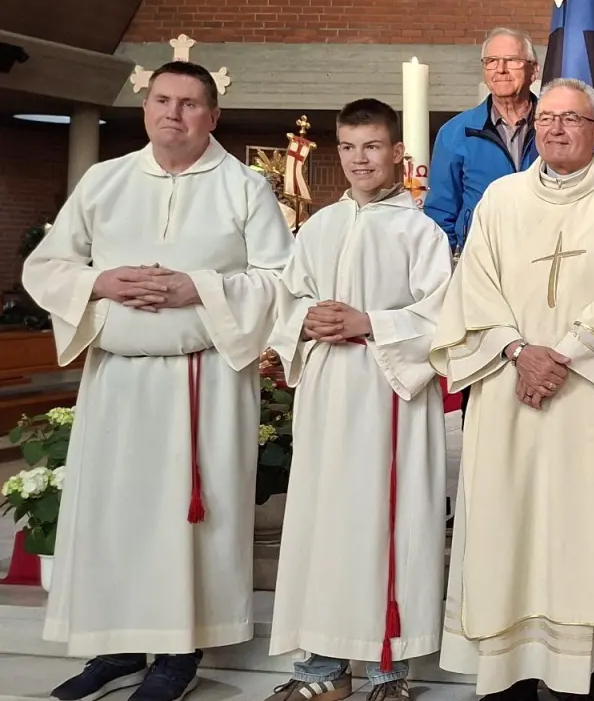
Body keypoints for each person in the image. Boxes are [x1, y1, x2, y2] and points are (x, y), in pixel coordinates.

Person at [23, 61, 292, 701]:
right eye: (163, 101)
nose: (174, 114)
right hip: (117, 382)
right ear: (145, 109)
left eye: (190, 103)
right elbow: (47, 264)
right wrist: (99, 281)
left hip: (201, 387)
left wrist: (194, 287)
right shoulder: (104, 180)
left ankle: (177, 652)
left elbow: (281, 280)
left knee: (184, 520)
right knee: (118, 513)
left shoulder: (245, 187)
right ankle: (116, 646)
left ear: (212, 115)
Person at [429, 78, 594, 701]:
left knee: (581, 526)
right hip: (508, 387)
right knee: (507, 518)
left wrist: (564, 356)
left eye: (572, 119)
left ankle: (575, 668)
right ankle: (504, 670)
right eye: (548, 118)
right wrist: (519, 352)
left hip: (588, 394)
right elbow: (473, 285)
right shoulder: (501, 199)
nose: (556, 129)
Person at [265, 99, 452, 701]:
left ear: (397, 152)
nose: (358, 159)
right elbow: (285, 300)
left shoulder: (419, 230)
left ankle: (388, 672)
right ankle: (321, 668)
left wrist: (369, 322)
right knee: (325, 526)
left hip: (386, 395)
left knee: (386, 522)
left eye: (371, 146)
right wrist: (304, 321)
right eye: (347, 147)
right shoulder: (319, 227)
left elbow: (444, 316)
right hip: (326, 397)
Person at [424, 27, 543, 257]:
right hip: (480, 260)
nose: (500, 69)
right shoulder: (455, 132)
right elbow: (440, 212)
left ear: (534, 70)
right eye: (491, 61)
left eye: (512, 60)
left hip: (544, 255)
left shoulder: (554, 128)